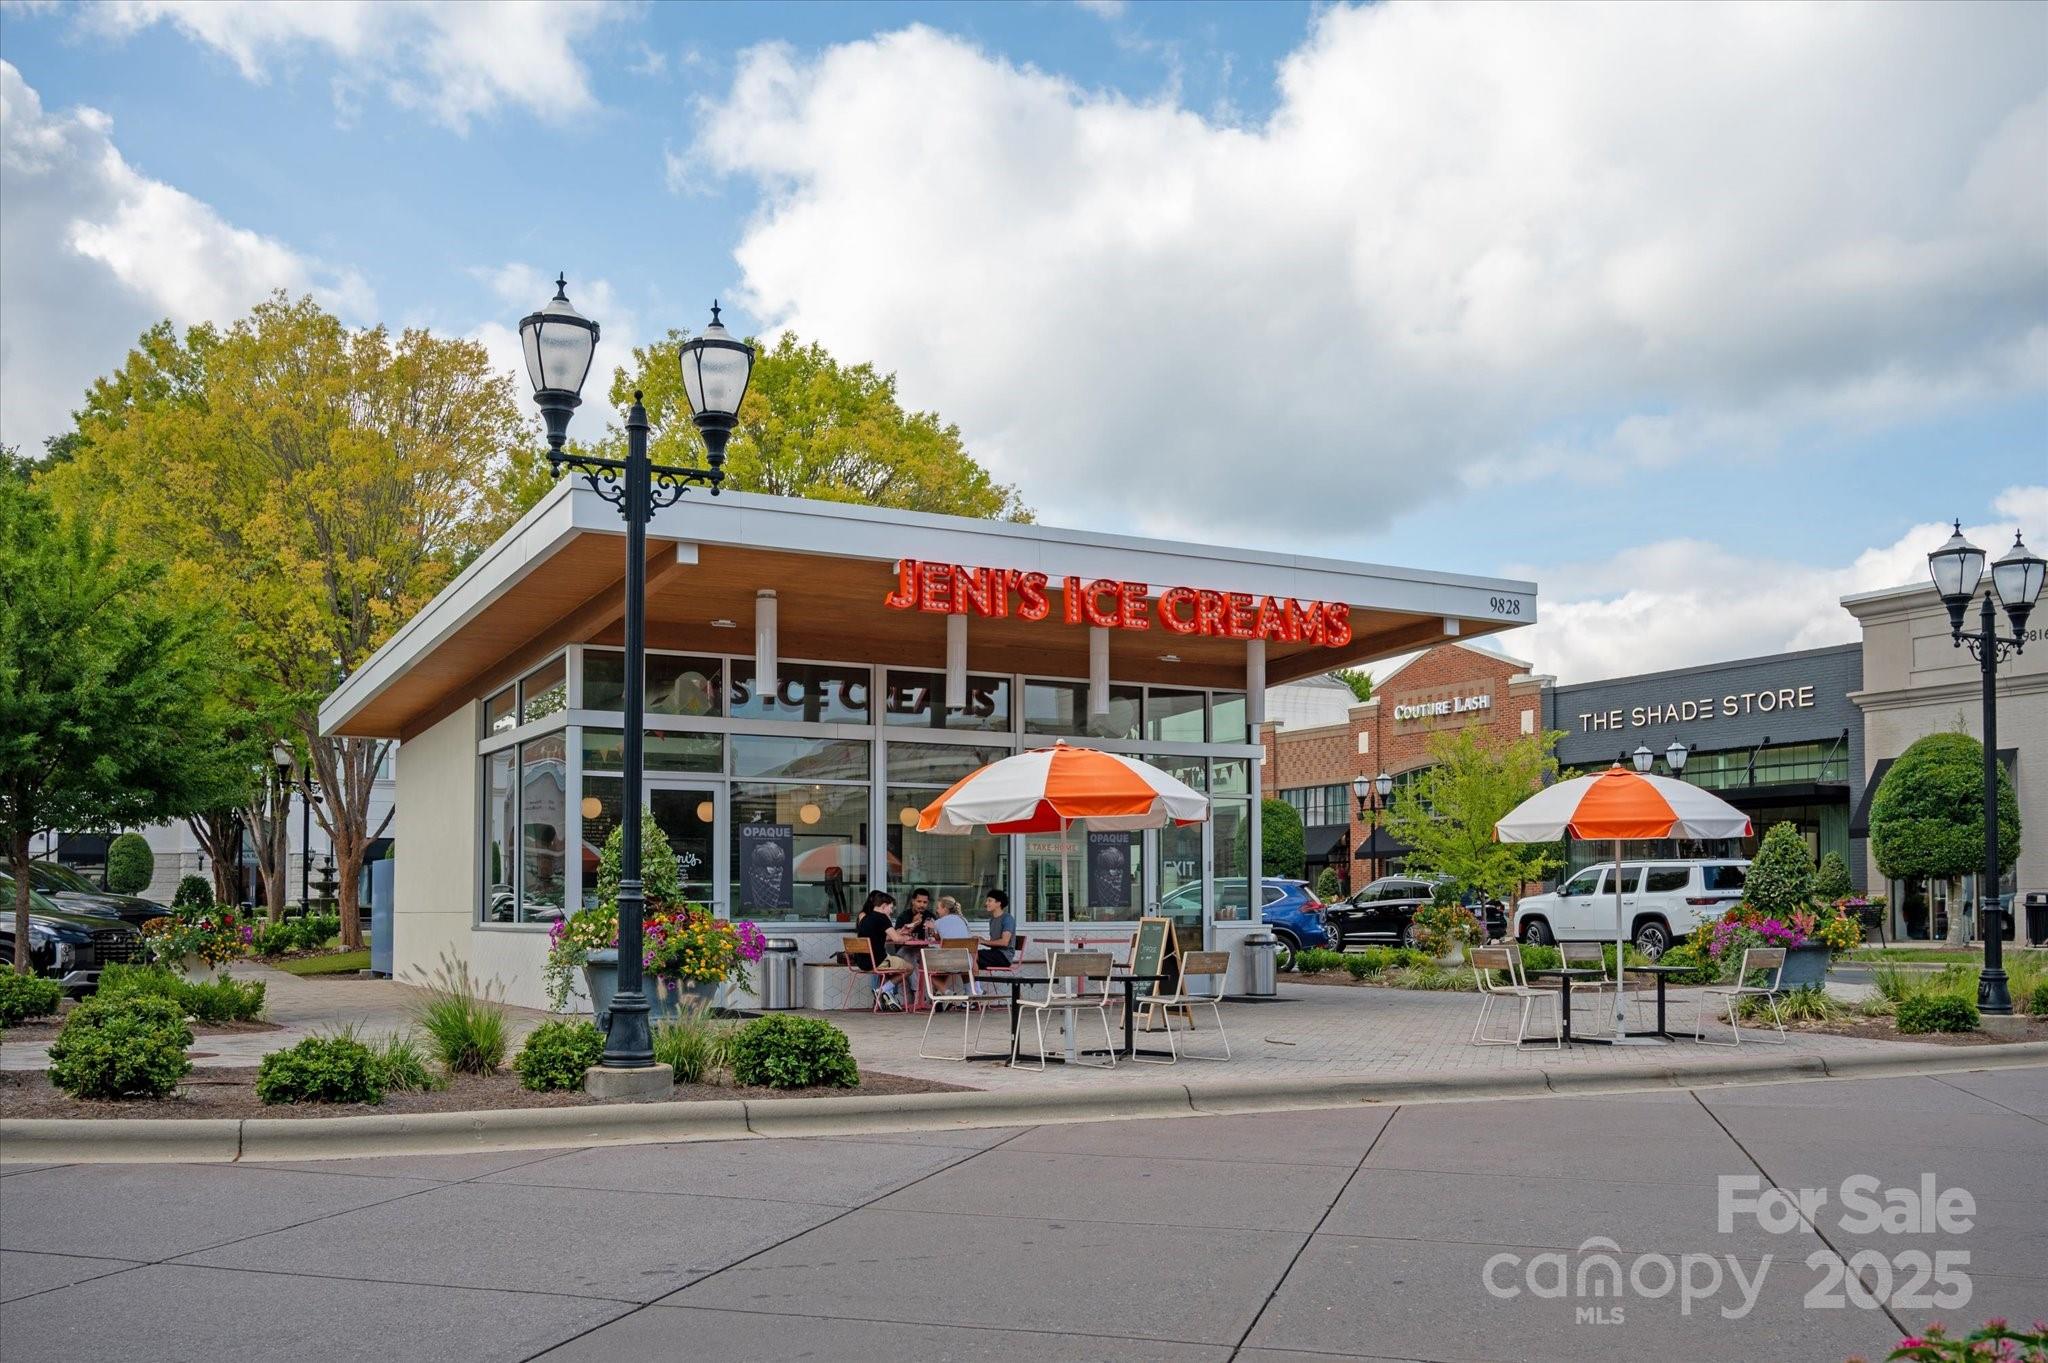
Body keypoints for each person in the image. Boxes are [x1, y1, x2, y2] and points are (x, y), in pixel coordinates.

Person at [854, 890, 903, 1010]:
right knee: (909, 967)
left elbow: (875, 936)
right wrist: (904, 936)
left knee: (892, 965)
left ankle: (886, 994)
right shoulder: (882, 918)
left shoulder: (864, 917)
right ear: (884, 906)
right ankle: (882, 990)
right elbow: (897, 939)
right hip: (877, 961)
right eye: (891, 908)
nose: (891, 911)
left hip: (861, 962)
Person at [978, 888, 1017, 970]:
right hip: (995, 954)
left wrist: (983, 941)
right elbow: (994, 943)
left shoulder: (1007, 919)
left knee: (972, 956)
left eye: (989, 901)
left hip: (1004, 957)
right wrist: (981, 940)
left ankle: (974, 982)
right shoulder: (992, 919)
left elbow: (1004, 942)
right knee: (969, 957)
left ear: (998, 903)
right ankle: (973, 982)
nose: (986, 903)